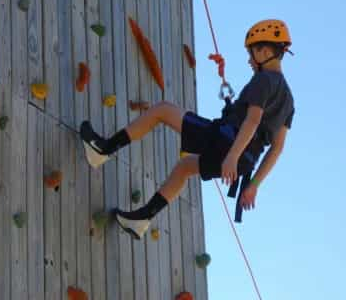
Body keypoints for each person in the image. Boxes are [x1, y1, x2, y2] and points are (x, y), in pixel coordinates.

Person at [80, 19, 295, 240]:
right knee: (184, 167)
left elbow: (251, 121)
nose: (249, 60)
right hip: (245, 162)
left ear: (266, 51)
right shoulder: (289, 100)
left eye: (252, 53)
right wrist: (253, 185)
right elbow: (276, 149)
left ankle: (103, 149)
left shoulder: (264, 80)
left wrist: (232, 155)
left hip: (228, 142)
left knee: (162, 110)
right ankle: (141, 219)